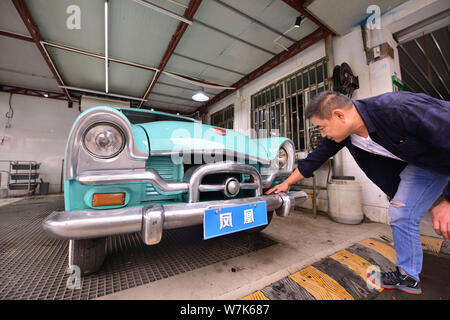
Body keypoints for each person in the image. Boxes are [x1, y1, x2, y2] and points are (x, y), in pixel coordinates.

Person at [265, 90, 450, 295]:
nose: (323, 135)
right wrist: (287, 183)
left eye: (322, 128)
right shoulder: (345, 134)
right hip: (425, 165)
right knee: (401, 212)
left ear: (339, 115)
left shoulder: (398, 108)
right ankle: (408, 277)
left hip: (443, 155)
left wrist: (448, 201)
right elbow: (315, 159)